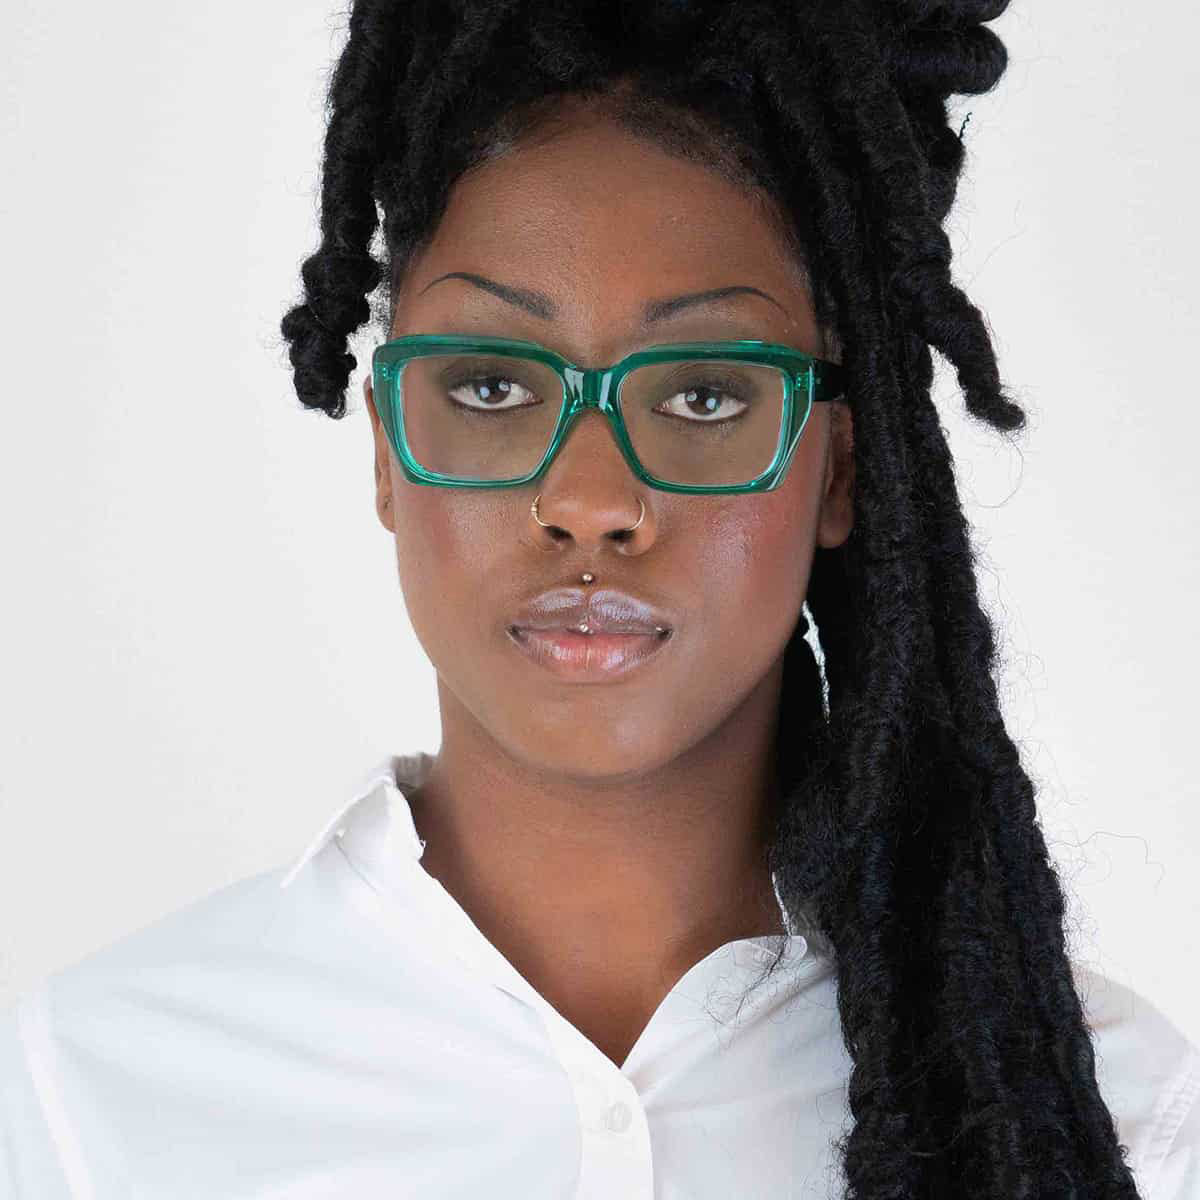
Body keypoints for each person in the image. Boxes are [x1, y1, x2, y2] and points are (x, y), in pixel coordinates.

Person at [3, 1, 1197, 1197]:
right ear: (384, 451)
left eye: (704, 395)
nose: (590, 501)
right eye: (489, 386)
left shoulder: (1111, 1122)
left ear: (838, 467)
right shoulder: (88, 1101)